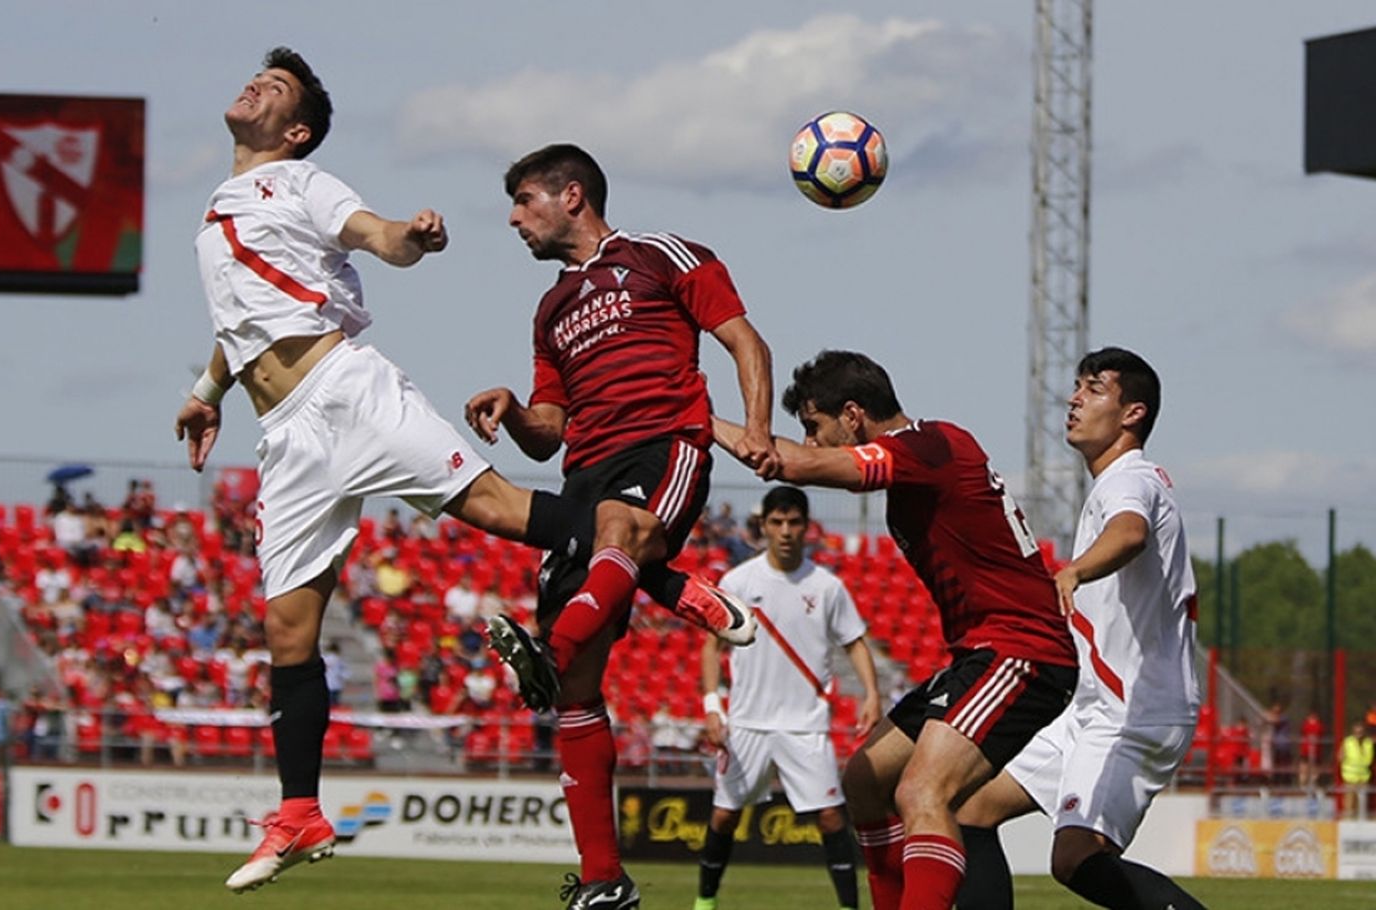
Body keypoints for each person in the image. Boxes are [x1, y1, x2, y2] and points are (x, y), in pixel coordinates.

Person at [173, 48, 591, 893]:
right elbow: (241, 319)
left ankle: (660, 563)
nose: (254, 85)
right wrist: (207, 392)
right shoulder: (218, 209)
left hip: (344, 392)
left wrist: (412, 236)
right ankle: (300, 814)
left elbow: (376, 236)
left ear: (296, 132)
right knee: (287, 632)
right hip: (285, 434)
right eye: (259, 77)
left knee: (501, 511)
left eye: (276, 88)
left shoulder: (302, 181)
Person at [469, 143, 776, 909]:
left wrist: (757, 431)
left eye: (524, 201)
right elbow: (549, 431)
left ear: (571, 196)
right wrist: (515, 412)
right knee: (575, 689)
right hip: (582, 472)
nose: (513, 219)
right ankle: (605, 880)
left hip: (662, 443)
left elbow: (744, 340)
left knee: (615, 534)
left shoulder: (660, 254)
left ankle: (567, 638)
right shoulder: (550, 311)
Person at [712, 350, 1078, 910]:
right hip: (983, 653)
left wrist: (697, 417)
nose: (811, 441)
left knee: (922, 791)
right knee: (865, 780)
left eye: (814, 426)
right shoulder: (929, 449)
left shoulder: (925, 448)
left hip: (1023, 651)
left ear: (852, 415)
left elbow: (793, 465)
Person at [953, 347, 1206, 910]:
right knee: (968, 809)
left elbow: (1130, 533)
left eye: (1094, 389)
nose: (1073, 399)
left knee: (1075, 858)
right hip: (1094, 707)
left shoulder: (1129, 479)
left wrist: (1076, 569)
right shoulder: (1117, 482)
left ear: (1132, 413)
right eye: (1077, 386)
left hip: (1133, 709)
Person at [695, 485, 881, 910]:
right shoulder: (738, 581)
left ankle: (849, 907)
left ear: (805, 526)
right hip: (747, 722)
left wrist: (872, 693)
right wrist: (712, 706)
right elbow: (711, 646)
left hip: (805, 724)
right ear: (763, 525)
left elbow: (854, 642)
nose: (784, 531)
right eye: (776, 522)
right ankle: (704, 902)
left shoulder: (827, 586)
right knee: (724, 814)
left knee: (831, 816)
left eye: (793, 522)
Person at [1340, 721, 1374, 819]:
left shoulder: (1368, 742)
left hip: (1363, 777)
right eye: (1357, 732)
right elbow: (1340, 756)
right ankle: (1348, 822)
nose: (1359, 734)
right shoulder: (1347, 742)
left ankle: (1361, 822)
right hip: (1350, 778)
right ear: (1353, 732)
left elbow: (1370, 758)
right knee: (1349, 804)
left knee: (1362, 804)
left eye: (1361, 732)